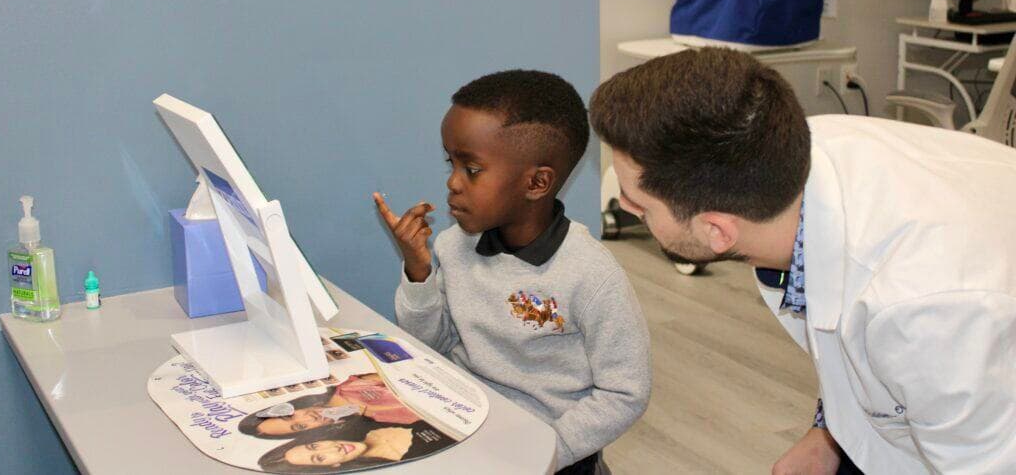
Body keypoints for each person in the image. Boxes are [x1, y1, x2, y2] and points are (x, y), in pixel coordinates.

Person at [588, 47, 1016, 474]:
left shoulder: (925, 312)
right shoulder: (793, 149)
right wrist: (828, 433)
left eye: (640, 204)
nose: (624, 207)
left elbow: (982, 460)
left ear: (717, 231)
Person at [374, 70, 651, 474]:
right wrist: (419, 273)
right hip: (467, 428)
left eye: (471, 168)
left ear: (537, 183)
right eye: (450, 163)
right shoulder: (454, 246)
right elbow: (430, 346)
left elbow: (625, 392)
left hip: (552, 454)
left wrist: (545, 451)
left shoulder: (591, 274)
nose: (451, 183)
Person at [239, 374, 420, 439]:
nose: (308, 418)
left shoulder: (347, 386)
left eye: (289, 415)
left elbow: (405, 375)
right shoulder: (374, 432)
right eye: (300, 426)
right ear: (306, 432)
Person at [258, 419, 454, 472]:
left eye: (315, 446)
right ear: (332, 468)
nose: (333, 448)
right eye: (320, 458)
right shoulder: (409, 464)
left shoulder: (368, 421)